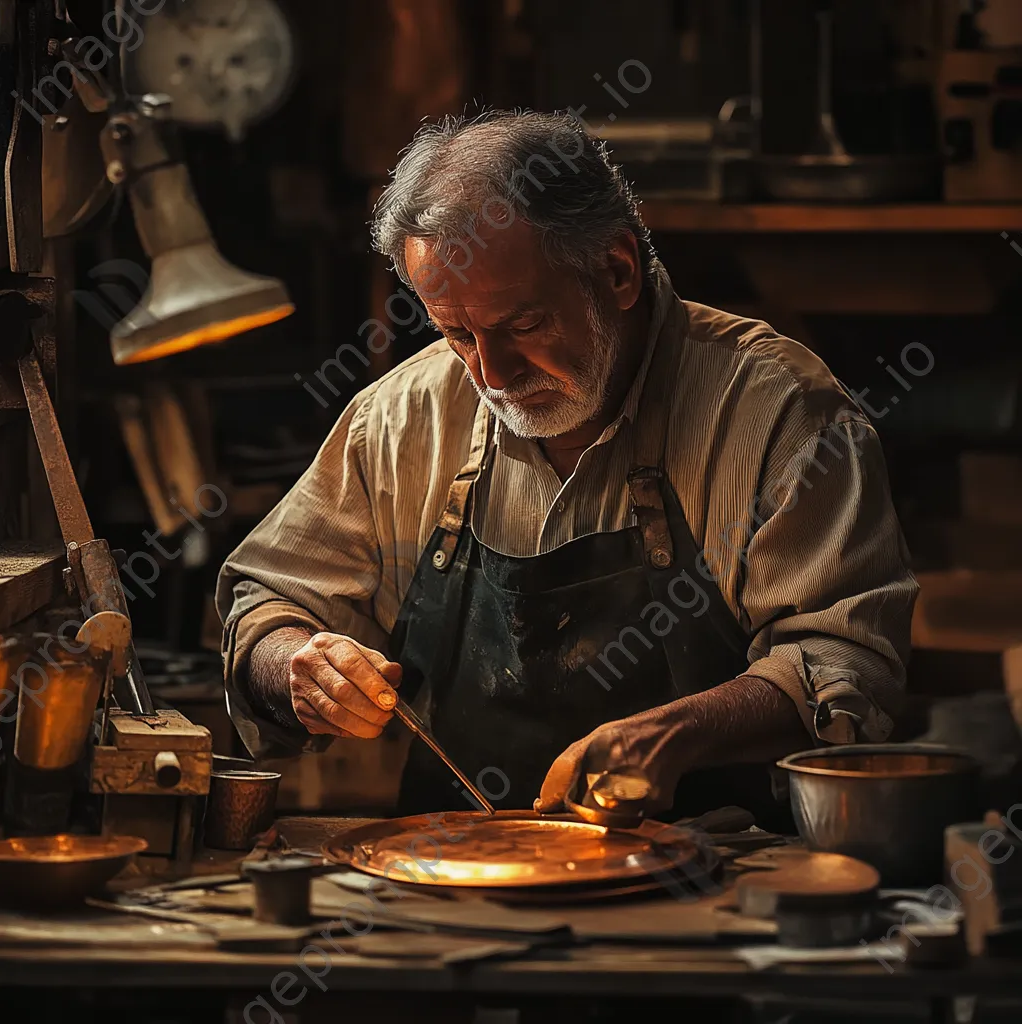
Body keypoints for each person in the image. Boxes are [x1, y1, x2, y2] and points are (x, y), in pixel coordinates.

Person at [216, 110, 917, 829]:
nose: (492, 374)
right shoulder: (403, 414)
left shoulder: (777, 411)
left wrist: (672, 737)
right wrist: (298, 663)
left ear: (616, 270)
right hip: (452, 881)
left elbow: (844, 663)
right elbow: (268, 604)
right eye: (456, 333)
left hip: (713, 892)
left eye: (523, 325)